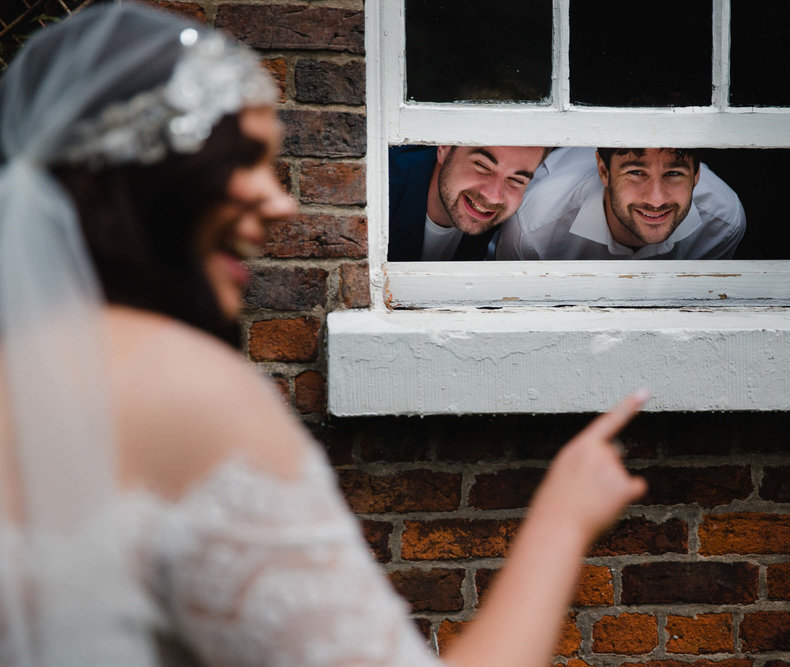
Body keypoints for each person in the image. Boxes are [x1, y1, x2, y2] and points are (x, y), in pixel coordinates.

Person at [0, 4, 648, 666]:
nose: (281, 202)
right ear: (155, 180)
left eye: (518, 178)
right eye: (244, 161)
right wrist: (564, 518)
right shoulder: (191, 390)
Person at [494, 146, 746, 260]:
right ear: (604, 171)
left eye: (673, 174)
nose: (656, 199)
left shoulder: (722, 221)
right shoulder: (533, 227)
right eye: (636, 173)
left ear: (697, 174)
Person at [388, 144, 549, 261]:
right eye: (482, 165)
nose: (494, 196)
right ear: (444, 148)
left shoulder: (510, 226)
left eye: (516, 180)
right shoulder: (378, 195)